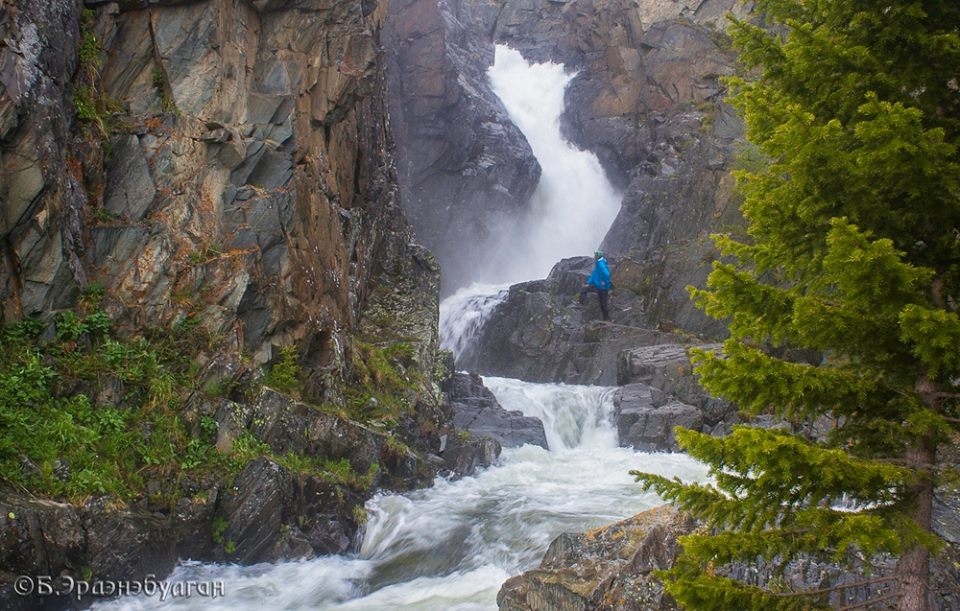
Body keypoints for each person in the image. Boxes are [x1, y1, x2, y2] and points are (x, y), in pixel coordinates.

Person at [580, 250, 611, 321]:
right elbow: (594, 275)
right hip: (598, 286)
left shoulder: (601, 264)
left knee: (603, 303)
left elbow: (607, 274)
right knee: (601, 303)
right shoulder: (598, 263)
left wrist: (605, 282)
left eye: (595, 255)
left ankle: (607, 318)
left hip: (603, 287)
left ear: (597, 256)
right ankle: (605, 318)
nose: (594, 256)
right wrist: (588, 283)